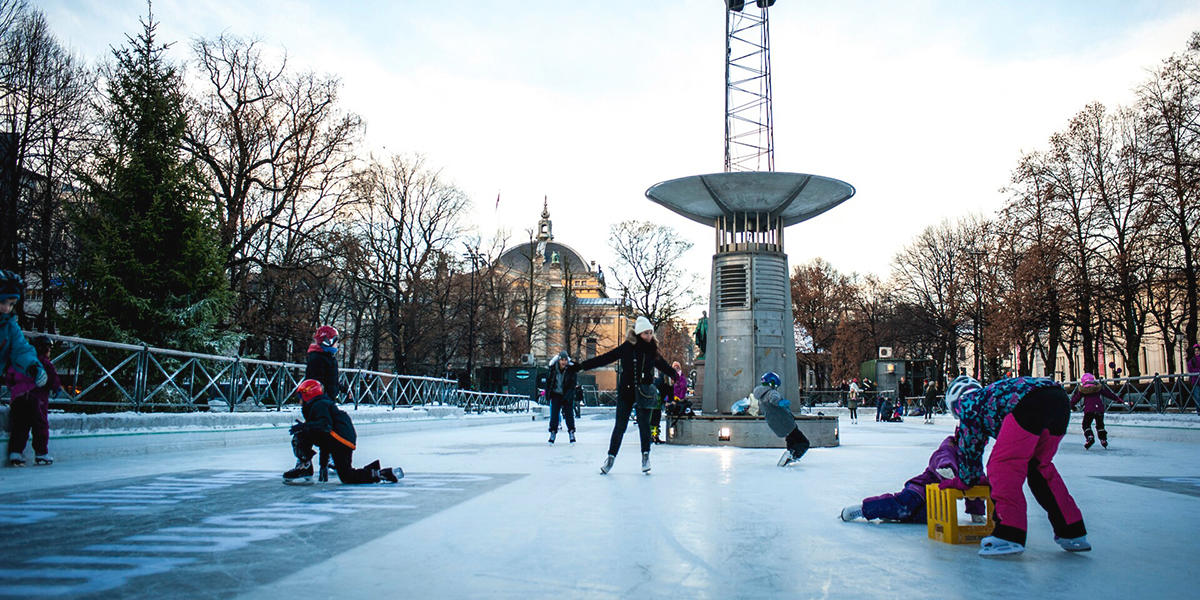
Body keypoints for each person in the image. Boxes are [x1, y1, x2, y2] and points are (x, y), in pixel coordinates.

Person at [944, 375, 1089, 557]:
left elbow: (970, 449)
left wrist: (966, 479)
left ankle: (1010, 534)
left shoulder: (969, 404)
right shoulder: (989, 397)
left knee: (1002, 467)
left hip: (1029, 403)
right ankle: (1072, 530)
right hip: (1058, 399)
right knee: (1039, 468)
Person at [571, 316, 674, 475]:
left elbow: (664, 366)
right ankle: (610, 458)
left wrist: (677, 376)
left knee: (644, 425)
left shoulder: (652, 350)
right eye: (646, 333)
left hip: (644, 392)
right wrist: (581, 366)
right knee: (620, 426)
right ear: (639, 333)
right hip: (626, 392)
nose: (649, 336)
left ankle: (645, 457)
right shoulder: (627, 348)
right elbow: (605, 358)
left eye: (650, 333)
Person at [840, 435, 986, 523]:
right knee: (903, 505)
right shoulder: (951, 444)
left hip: (938, 502)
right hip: (921, 489)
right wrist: (947, 468)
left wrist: (977, 512)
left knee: (918, 517)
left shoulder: (973, 457)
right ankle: (863, 509)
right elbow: (942, 456)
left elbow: (977, 482)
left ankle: (889, 514)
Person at [284, 379, 401, 485]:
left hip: (339, 439)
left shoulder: (319, 405)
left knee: (301, 434)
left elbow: (325, 426)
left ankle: (304, 466)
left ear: (308, 395)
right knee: (347, 476)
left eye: (301, 396)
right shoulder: (321, 403)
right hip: (342, 440)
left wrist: (304, 426)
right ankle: (379, 473)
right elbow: (325, 439)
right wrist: (323, 465)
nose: (299, 400)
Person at [1, 270, 49, 466]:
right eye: (3, 302)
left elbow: (21, 349)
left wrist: (34, 367)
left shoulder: (10, 326)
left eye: (11, 304)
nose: (6, 308)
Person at [6, 336, 61, 466]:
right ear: (45, 349)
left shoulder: (21, 360)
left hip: (18, 398)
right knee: (40, 425)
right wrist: (56, 388)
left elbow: (10, 377)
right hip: (37, 399)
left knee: (20, 425)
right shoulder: (44, 362)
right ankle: (41, 453)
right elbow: (52, 378)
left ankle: (16, 452)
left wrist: (14, 388)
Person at [752, 371, 811, 467]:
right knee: (804, 443)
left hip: (776, 424)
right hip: (786, 423)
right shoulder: (771, 392)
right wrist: (780, 402)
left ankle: (789, 455)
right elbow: (773, 398)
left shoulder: (761, 396)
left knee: (791, 441)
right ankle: (791, 456)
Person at [1070, 373, 1121, 449]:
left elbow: (1075, 399)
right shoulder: (1098, 388)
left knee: (1086, 425)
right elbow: (1109, 394)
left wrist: (1069, 405)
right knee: (1100, 425)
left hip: (1089, 410)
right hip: (1099, 409)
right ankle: (1103, 439)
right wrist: (1118, 399)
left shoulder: (1083, 390)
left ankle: (1090, 437)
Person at [545, 351, 577, 444]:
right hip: (556, 394)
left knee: (569, 415)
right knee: (554, 415)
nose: (564, 362)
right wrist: (548, 394)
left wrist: (568, 395)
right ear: (558, 360)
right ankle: (553, 432)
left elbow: (572, 384)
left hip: (566, 394)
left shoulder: (571, 370)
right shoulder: (553, 369)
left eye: (565, 360)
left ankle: (571, 432)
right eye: (562, 360)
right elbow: (549, 382)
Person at [305, 325, 340, 401]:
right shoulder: (318, 358)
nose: (337, 345)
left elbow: (330, 378)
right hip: (321, 400)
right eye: (336, 342)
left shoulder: (328, 357)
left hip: (328, 398)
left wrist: (339, 387)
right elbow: (318, 380)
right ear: (328, 342)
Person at [1188, 344, 1200, 415]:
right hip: (1195, 380)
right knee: (1197, 396)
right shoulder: (1192, 360)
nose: (1197, 352)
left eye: (1198, 351)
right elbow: (1190, 369)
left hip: (1196, 380)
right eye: (1195, 351)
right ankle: (1198, 410)